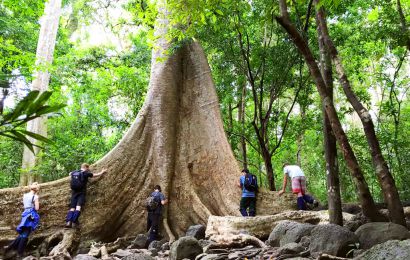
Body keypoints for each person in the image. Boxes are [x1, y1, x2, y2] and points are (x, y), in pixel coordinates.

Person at [64, 163, 107, 228]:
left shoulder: (75, 172)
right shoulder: (86, 173)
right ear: (86, 167)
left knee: (72, 207)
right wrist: (102, 172)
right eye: (88, 168)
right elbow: (94, 175)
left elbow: (69, 173)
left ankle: (68, 222)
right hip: (81, 192)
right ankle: (74, 221)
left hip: (74, 192)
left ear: (81, 167)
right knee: (78, 207)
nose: (88, 169)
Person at [4, 182, 40, 258]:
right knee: (25, 234)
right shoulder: (35, 196)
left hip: (25, 213)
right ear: (37, 189)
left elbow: (25, 205)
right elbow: (37, 208)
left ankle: (9, 247)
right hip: (31, 215)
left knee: (23, 233)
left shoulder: (25, 195)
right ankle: (19, 253)